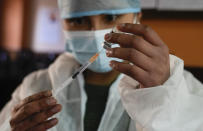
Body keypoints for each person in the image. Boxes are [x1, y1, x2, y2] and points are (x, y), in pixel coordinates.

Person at [1, 0, 203, 130]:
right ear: (63, 24)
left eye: (111, 17)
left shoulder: (178, 88)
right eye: (79, 20)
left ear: (136, 18)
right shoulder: (35, 85)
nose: (96, 33)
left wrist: (162, 100)